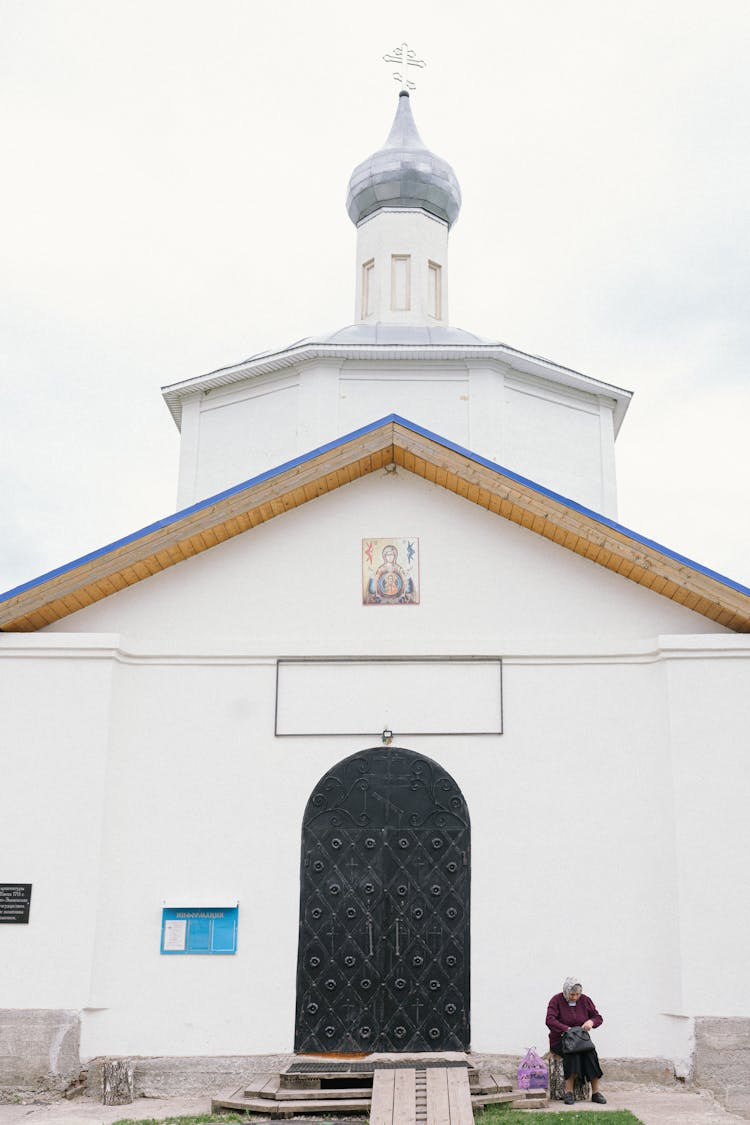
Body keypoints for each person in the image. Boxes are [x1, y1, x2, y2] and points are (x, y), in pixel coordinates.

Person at [546, 977, 606, 1105]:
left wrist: (591, 1022)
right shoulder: (556, 1000)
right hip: (560, 1039)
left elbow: (598, 1017)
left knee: (590, 1053)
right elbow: (550, 1020)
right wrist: (567, 1029)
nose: (575, 997)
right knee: (572, 1052)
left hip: (580, 1039)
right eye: (572, 994)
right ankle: (569, 1092)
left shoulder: (585, 1000)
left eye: (577, 994)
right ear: (565, 991)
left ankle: (595, 1093)